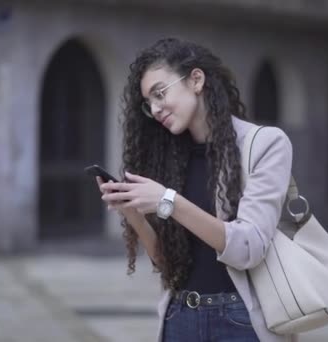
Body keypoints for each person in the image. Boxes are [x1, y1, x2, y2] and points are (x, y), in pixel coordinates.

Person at [95, 38, 293, 342]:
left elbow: (247, 248)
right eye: (148, 104)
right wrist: (132, 213)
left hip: (240, 320)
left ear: (196, 80)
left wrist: (168, 201)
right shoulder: (170, 157)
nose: (156, 108)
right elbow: (166, 262)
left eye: (160, 93)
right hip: (180, 317)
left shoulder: (265, 144)